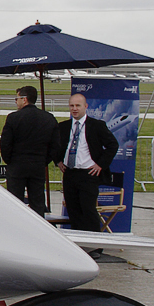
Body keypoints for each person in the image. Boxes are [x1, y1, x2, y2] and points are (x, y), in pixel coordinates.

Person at [54, 93, 118, 233]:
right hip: (70, 174)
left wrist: (100, 164)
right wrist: (57, 161)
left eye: (78, 105)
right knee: (73, 210)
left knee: (88, 210)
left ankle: (94, 246)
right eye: (72, 106)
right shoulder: (63, 127)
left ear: (85, 107)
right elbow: (54, 146)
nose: (74, 109)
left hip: (88, 174)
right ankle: (79, 244)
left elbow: (113, 145)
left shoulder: (97, 126)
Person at [0, 85, 58, 216]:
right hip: (37, 166)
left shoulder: (13, 118)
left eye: (17, 98)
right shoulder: (49, 118)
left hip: (17, 166)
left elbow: (5, 144)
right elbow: (55, 146)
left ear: (24, 99)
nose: (16, 101)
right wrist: (43, 161)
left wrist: (10, 160)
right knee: (37, 203)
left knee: (15, 203)